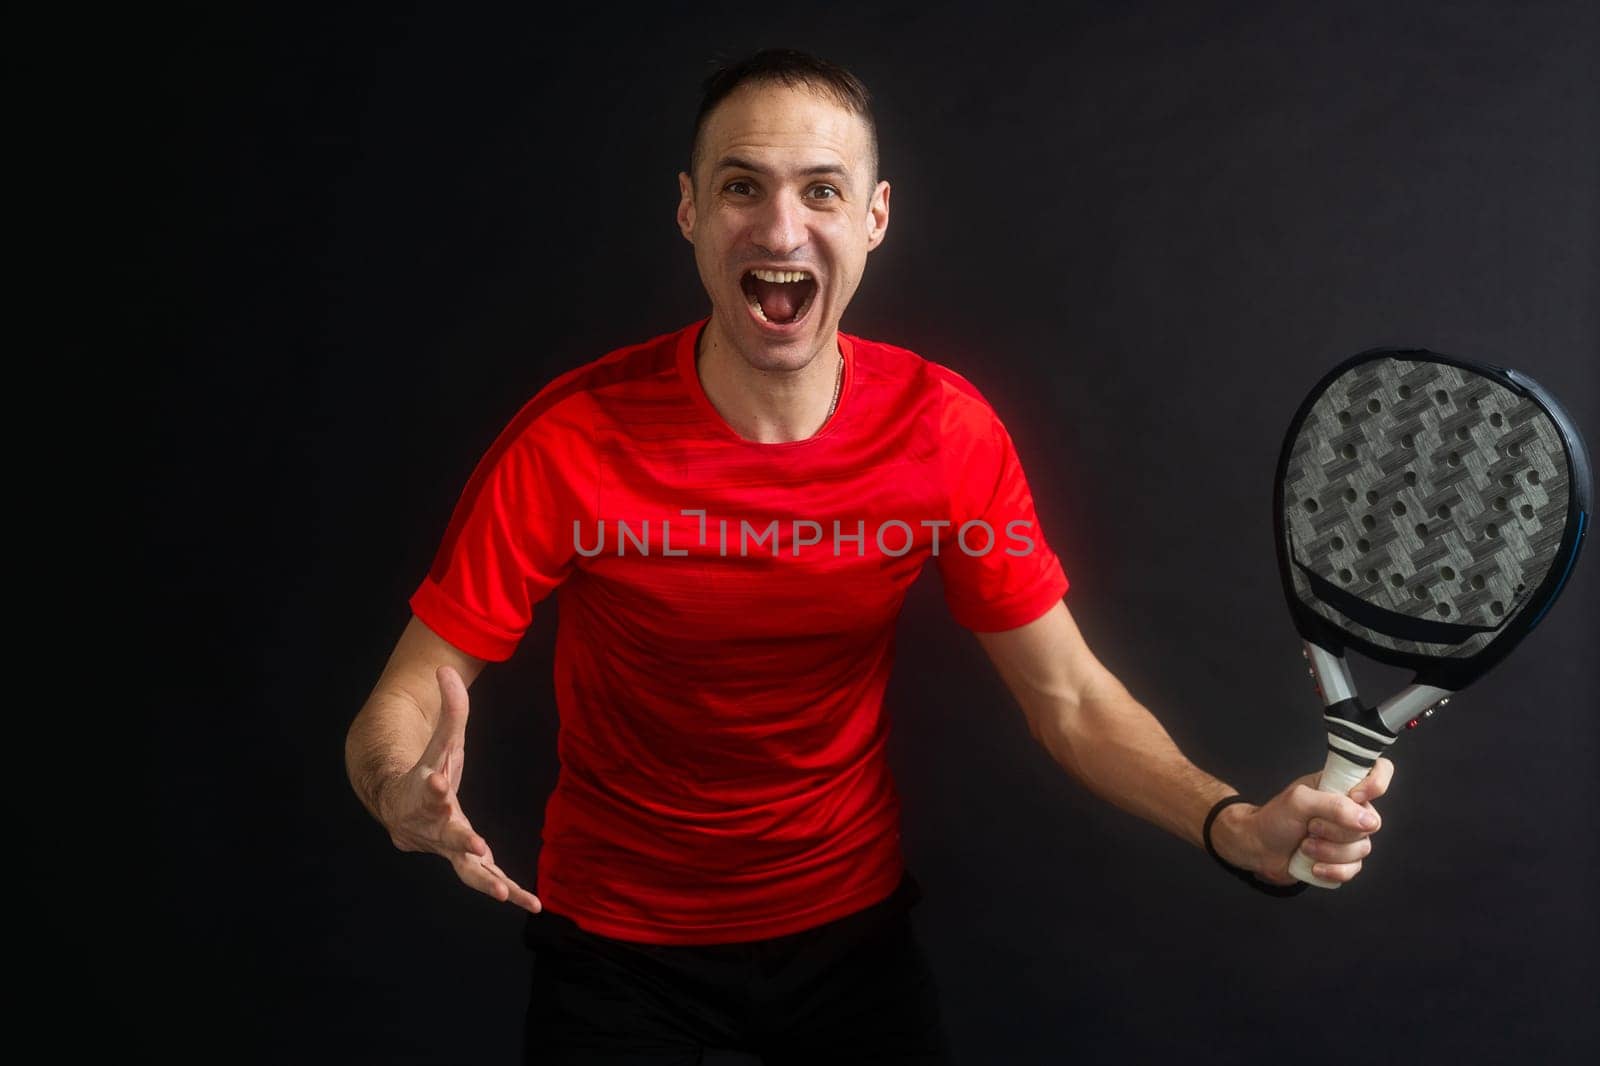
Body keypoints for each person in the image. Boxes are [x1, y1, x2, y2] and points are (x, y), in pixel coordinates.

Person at [344, 48, 1393, 1064]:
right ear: (690, 212)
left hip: (846, 938)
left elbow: (1068, 698)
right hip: (616, 942)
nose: (782, 226)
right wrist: (398, 791)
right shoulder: (569, 442)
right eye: (742, 186)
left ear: (875, 217)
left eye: (822, 191)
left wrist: (1235, 826)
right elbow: (394, 707)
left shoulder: (943, 432)